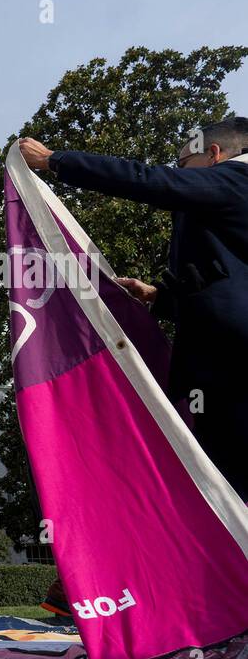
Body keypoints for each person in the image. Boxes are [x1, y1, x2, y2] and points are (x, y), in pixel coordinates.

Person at [20, 119, 248, 500]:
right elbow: (226, 282)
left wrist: (55, 161)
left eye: (183, 163)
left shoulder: (234, 180)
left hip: (230, 367)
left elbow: (150, 181)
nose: (178, 173)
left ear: (214, 155)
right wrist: (160, 297)